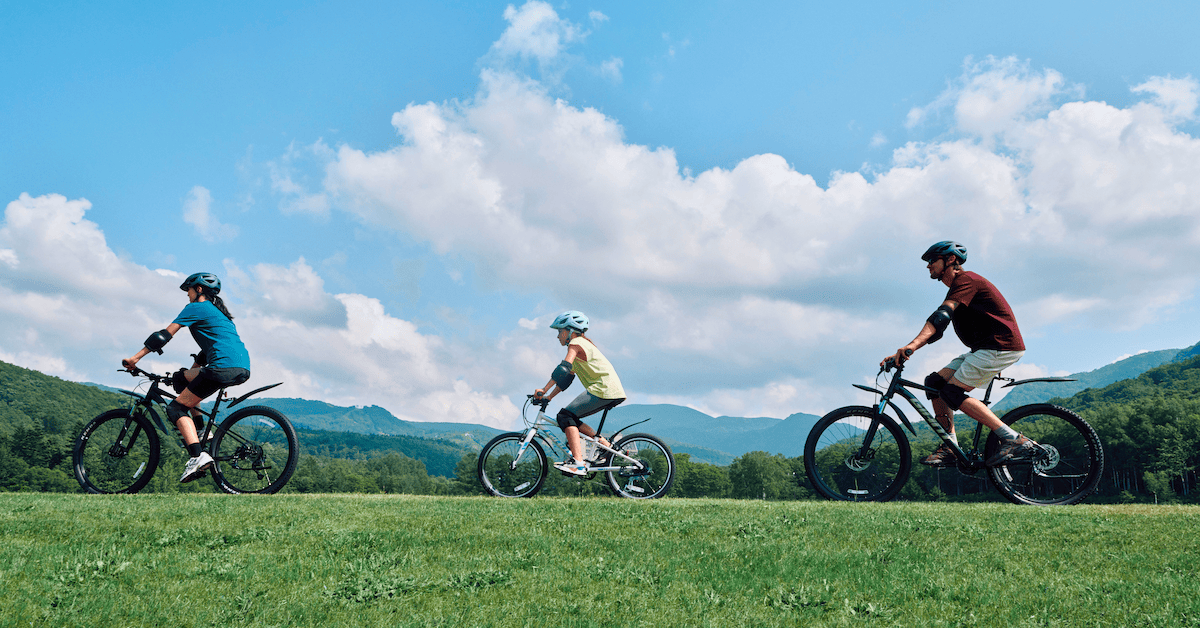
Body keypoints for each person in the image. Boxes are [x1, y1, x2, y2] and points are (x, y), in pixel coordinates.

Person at [882, 241, 1036, 467]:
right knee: (934, 383)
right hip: (985, 348)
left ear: (950, 260)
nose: (928, 266)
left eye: (932, 260)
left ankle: (1013, 440)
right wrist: (910, 348)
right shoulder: (958, 288)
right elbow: (937, 330)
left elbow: (941, 316)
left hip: (1000, 346)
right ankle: (950, 446)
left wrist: (911, 346)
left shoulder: (967, 280)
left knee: (952, 393)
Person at [122, 272, 252, 483]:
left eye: (189, 290)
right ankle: (202, 432)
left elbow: (163, 335)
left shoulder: (196, 307)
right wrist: (191, 375)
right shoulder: (220, 315)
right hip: (240, 367)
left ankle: (197, 456)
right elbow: (205, 353)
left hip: (221, 367)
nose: (187, 295)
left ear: (199, 290)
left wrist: (135, 358)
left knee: (175, 408)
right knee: (181, 379)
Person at [534, 311, 627, 476]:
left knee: (564, 417)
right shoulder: (583, 346)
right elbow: (567, 379)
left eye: (560, 331)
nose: (558, 336)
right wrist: (549, 397)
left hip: (603, 388)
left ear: (570, 331)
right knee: (571, 418)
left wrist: (544, 389)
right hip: (609, 389)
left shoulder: (576, 343)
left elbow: (563, 368)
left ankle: (578, 463)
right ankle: (607, 448)